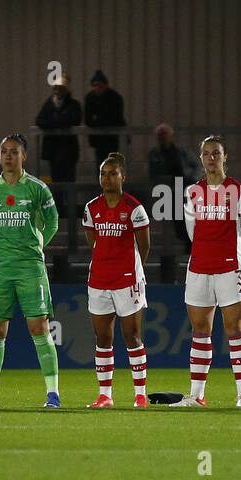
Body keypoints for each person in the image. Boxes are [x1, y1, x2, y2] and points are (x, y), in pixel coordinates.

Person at [0, 135, 62, 409]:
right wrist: (3, 244)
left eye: (14, 152)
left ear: (24, 156)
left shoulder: (37, 189)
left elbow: (53, 223)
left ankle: (52, 394)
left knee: (39, 327)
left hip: (29, 267)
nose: (8, 156)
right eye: (4, 152)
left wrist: (35, 244)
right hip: (0, 266)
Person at [174, 135, 241, 408]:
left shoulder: (239, 191)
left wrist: (235, 255)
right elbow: (191, 232)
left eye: (216, 153)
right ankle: (197, 395)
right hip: (199, 267)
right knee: (200, 330)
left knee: (236, 329)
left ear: (225, 157)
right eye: (207, 153)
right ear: (200, 158)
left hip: (229, 267)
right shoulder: (192, 193)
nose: (211, 158)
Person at [82, 153, 152, 409]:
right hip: (99, 280)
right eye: (103, 173)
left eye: (112, 173)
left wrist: (130, 270)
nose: (107, 178)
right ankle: (105, 395)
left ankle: (140, 394)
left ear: (124, 176)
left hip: (128, 281)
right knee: (102, 339)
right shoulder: (92, 208)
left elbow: (144, 246)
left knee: (132, 337)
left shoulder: (134, 208)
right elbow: (94, 243)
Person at [149, 122, 199, 252]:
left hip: (184, 186)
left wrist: (192, 178)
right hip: (170, 189)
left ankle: (190, 245)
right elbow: (153, 173)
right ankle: (188, 243)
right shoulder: (155, 154)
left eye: (165, 135)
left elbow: (196, 166)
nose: (164, 138)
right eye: (161, 136)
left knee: (187, 218)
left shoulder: (181, 152)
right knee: (179, 220)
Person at [35, 75, 82, 187]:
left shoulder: (74, 104)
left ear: (66, 90)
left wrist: (53, 122)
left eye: (60, 88)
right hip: (54, 151)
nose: (57, 91)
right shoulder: (49, 104)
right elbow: (39, 121)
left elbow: (75, 120)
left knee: (69, 181)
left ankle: (69, 204)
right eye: (56, 88)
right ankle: (59, 204)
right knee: (56, 181)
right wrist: (60, 122)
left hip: (68, 150)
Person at [84, 70, 126, 164]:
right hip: (98, 138)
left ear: (106, 85)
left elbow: (116, 117)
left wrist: (97, 120)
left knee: (111, 162)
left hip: (111, 137)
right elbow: (88, 119)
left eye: (99, 85)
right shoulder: (90, 98)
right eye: (95, 85)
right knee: (100, 163)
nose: (97, 88)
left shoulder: (115, 97)